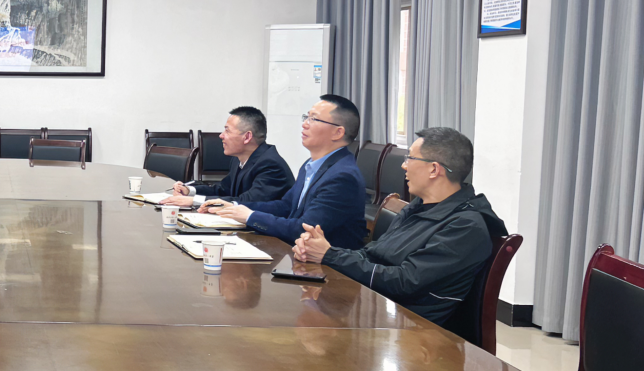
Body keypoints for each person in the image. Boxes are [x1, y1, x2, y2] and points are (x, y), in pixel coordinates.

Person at [293, 127, 506, 326]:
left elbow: (405, 282)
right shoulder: (419, 206)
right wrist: (320, 251)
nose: (404, 166)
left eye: (410, 158)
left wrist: (330, 255)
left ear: (434, 169)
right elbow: (372, 254)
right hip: (380, 308)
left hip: (413, 329)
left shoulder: (465, 227)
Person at [208, 94, 367, 248]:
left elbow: (304, 229)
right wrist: (234, 207)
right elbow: (286, 206)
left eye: (314, 119)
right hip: (297, 252)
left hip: (325, 264)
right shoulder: (311, 165)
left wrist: (250, 216)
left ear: (338, 132)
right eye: (306, 117)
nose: (305, 124)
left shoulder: (343, 176)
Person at [160, 106, 294, 208]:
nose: (221, 135)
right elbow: (224, 189)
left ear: (247, 137)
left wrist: (193, 201)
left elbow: (246, 202)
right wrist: (189, 191)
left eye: (227, 130)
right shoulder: (238, 158)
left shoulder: (270, 165)